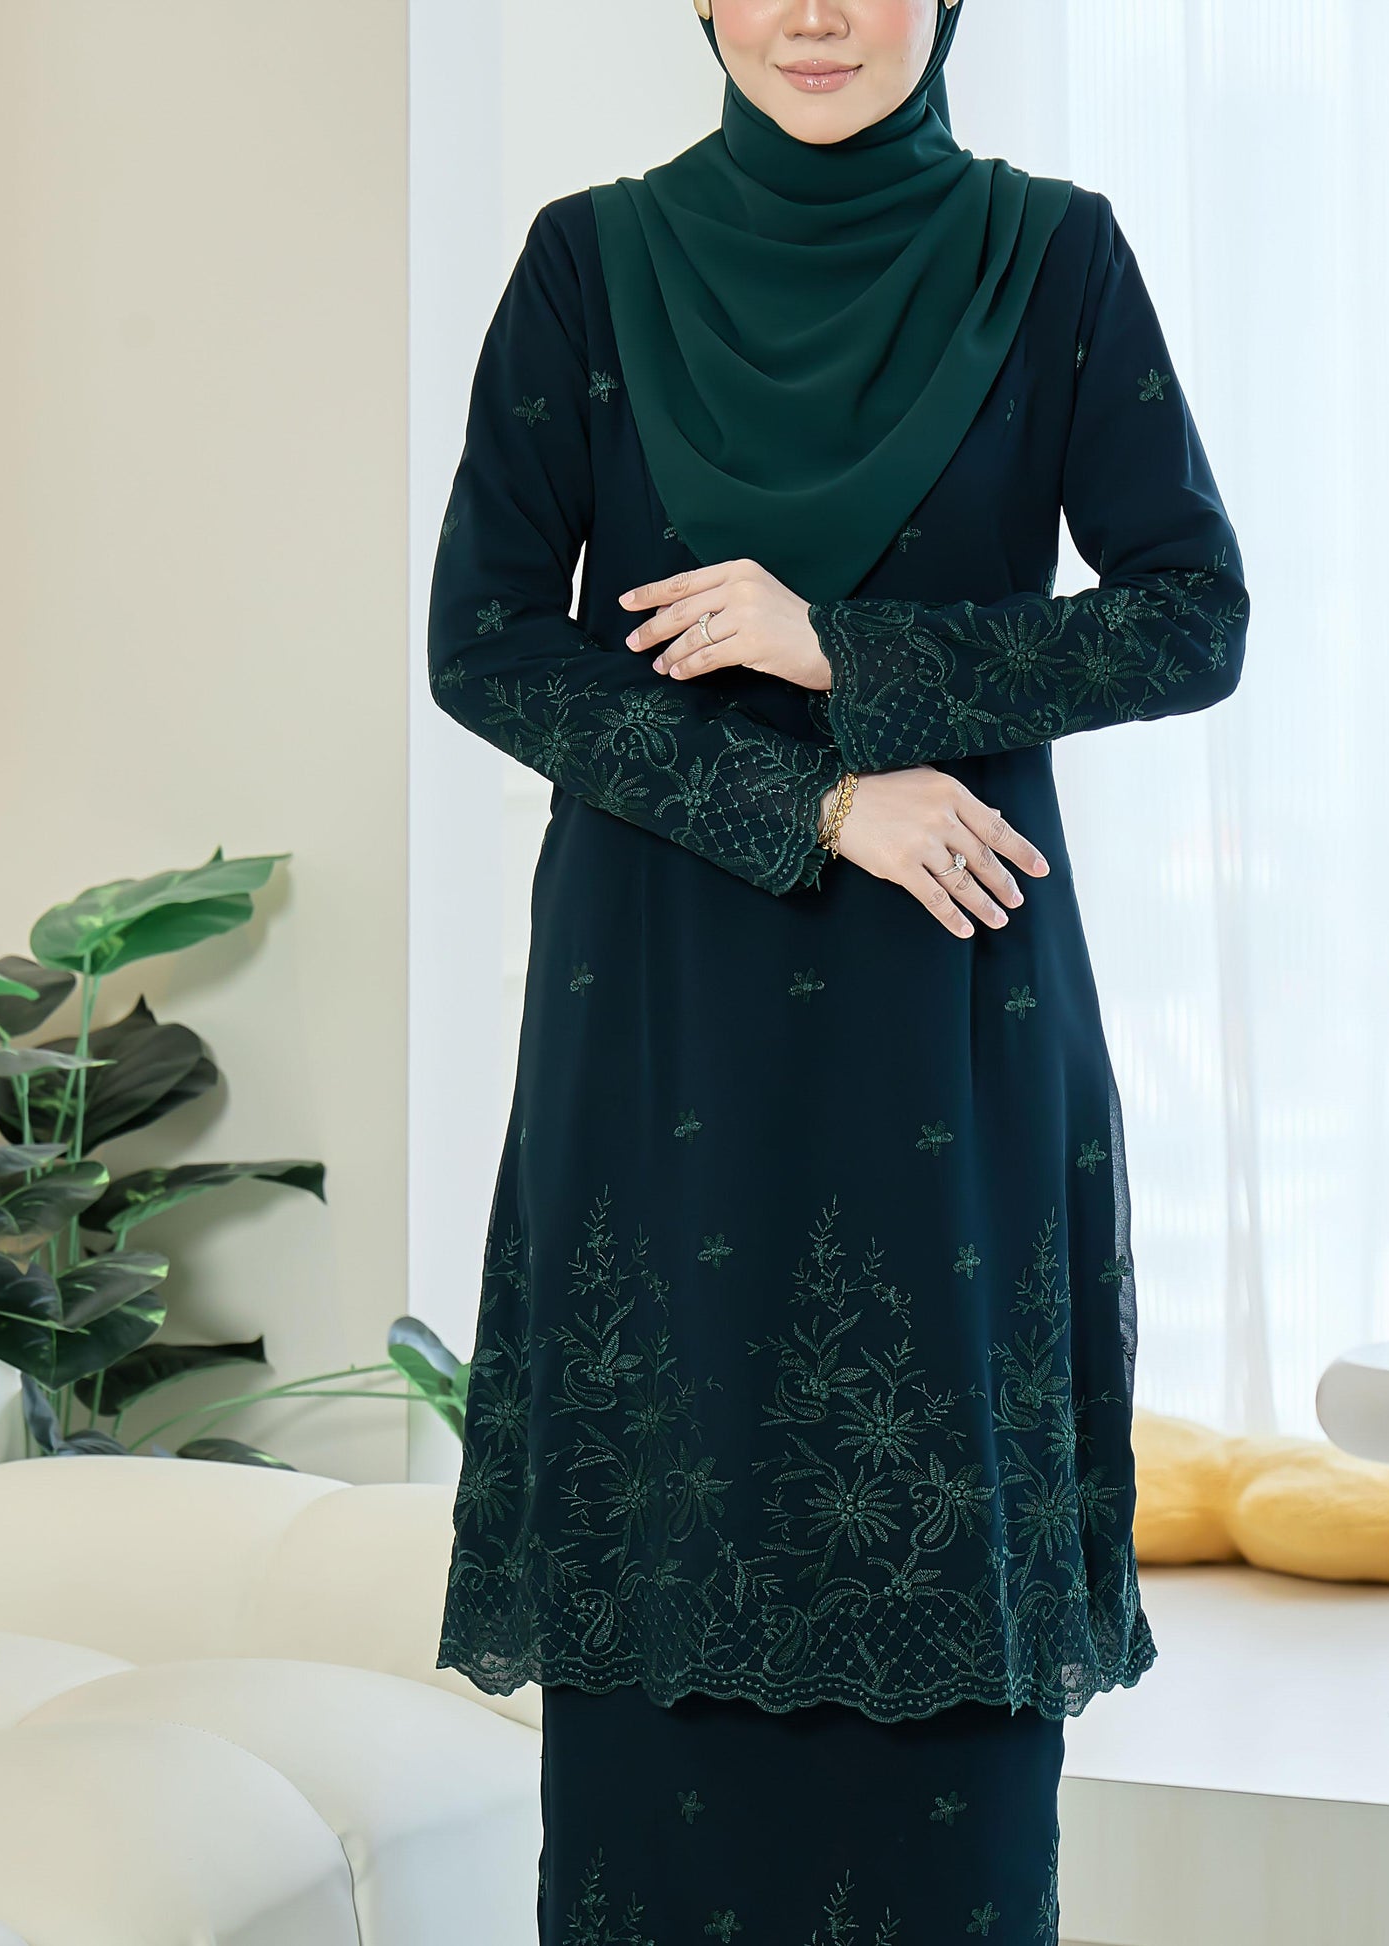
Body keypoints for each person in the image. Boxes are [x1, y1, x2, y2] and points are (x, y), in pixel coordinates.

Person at [427, 0, 1249, 1934]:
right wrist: (810, 802)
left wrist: (842, 654)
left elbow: (1187, 616)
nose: (813, 15)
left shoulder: (1051, 256)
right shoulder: (589, 261)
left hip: (945, 1001)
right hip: (658, 1002)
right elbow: (485, 641)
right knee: (661, 1580)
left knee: (938, 1565)